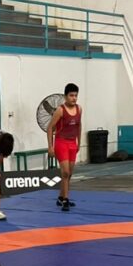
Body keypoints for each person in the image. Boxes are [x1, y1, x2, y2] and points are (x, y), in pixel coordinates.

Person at [47, 83, 82, 211]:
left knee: (69, 173)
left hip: (73, 143)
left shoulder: (79, 109)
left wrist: (79, 141)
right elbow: (50, 128)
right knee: (65, 172)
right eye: (71, 95)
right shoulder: (60, 110)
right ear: (66, 96)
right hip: (61, 143)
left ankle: (61, 197)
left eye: (76, 96)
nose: (74, 98)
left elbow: (79, 125)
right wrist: (50, 146)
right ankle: (66, 200)